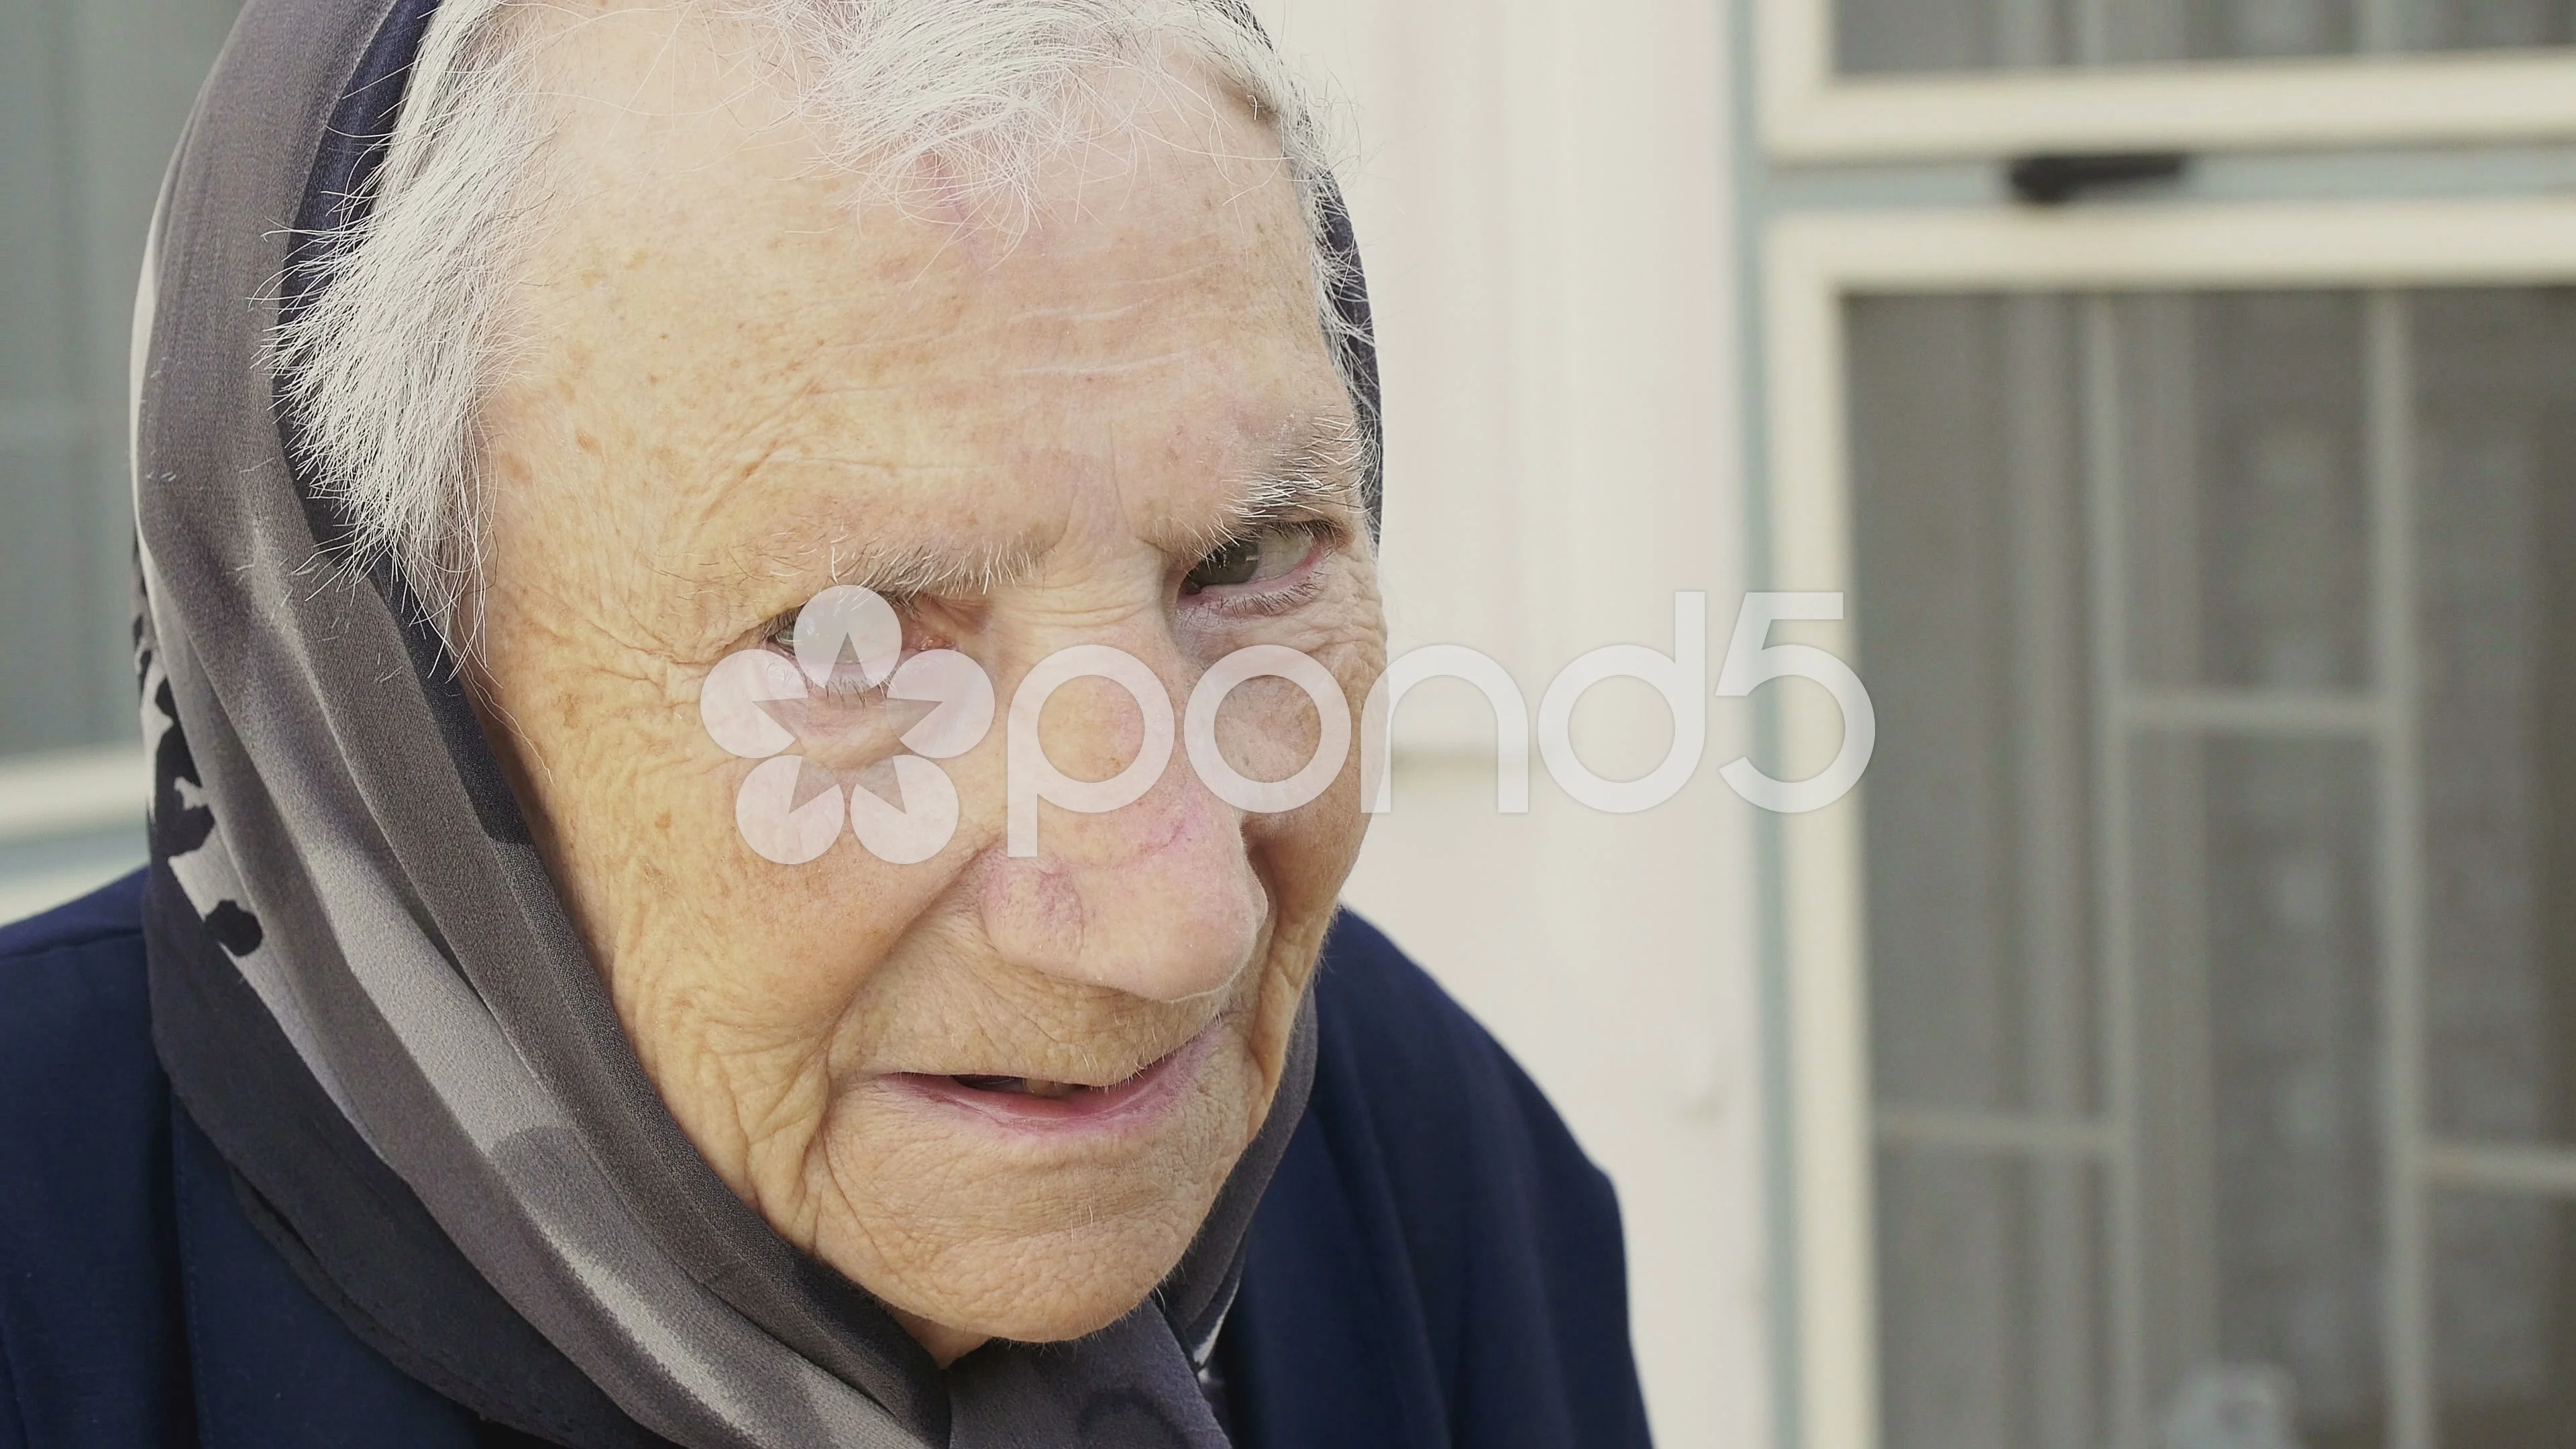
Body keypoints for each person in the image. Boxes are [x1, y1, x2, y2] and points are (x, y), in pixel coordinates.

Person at [0, 0, 1654, 1444]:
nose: (1178, 928)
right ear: (376, 716)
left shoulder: (1427, 1170)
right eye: (850, 644)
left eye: (1245, 562)